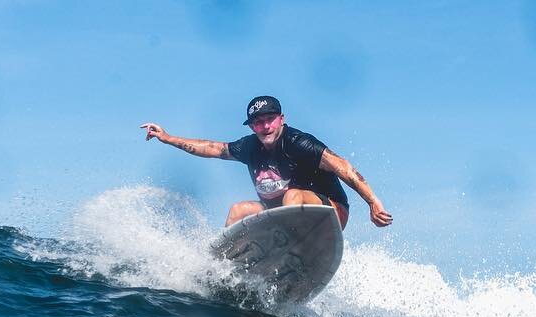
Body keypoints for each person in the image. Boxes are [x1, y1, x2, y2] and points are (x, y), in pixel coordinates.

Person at [140, 95, 392, 229]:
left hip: (329, 215)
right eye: (258, 122)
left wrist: (373, 202)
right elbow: (213, 148)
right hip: (281, 220)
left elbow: (343, 167)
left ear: (281, 119)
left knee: (292, 195)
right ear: (251, 126)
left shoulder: (299, 143)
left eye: (270, 119)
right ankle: (225, 266)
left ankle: (294, 246)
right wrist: (168, 138)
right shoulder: (249, 147)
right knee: (238, 210)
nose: (265, 126)